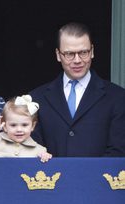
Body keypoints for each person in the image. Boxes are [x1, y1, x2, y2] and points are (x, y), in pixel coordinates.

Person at [30, 22, 125, 157]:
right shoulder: (37, 98)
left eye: (83, 52)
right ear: (58, 55)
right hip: (50, 177)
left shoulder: (117, 97)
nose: (77, 60)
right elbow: (31, 150)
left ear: (92, 51)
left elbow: (118, 151)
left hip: (99, 177)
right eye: (69, 54)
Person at [0, 95, 52, 162]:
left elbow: (44, 169)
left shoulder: (39, 150)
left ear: (32, 126)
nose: (19, 129)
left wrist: (45, 157)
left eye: (24, 125)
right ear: (4, 126)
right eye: (13, 125)